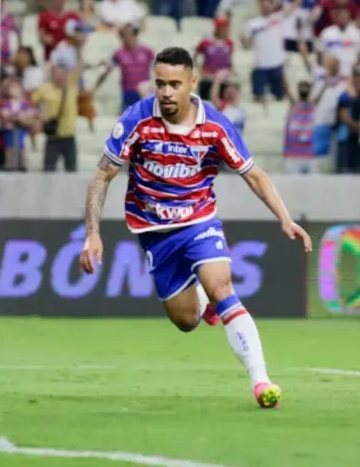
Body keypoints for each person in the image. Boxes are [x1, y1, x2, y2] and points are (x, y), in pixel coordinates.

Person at [79, 47, 312, 409]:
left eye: (174, 84)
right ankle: (203, 304)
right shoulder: (137, 120)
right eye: (160, 83)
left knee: (221, 284)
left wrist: (284, 216)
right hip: (154, 232)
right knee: (185, 321)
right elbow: (102, 175)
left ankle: (261, 380)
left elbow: (253, 174)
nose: (166, 92)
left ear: (192, 82)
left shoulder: (215, 125)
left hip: (199, 220)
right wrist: (92, 233)